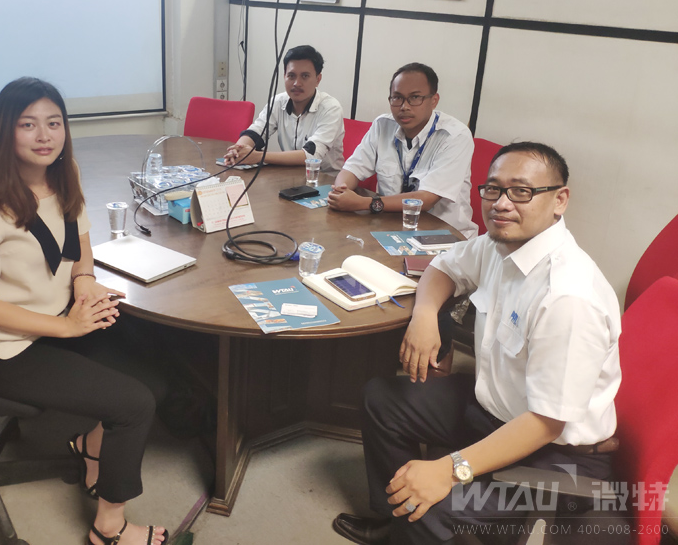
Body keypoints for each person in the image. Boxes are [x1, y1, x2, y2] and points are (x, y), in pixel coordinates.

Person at [332, 142, 622, 545]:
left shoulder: (568, 297)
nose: (501, 203)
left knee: (431, 503)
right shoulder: (500, 242)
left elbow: (546, 423)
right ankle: (393, 522)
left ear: (560, 200)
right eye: (493, 189)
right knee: (382, 399)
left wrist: (448, 469)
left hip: (554, 454)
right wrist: (424, 316)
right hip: (493, 409)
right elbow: (443, 267)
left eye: (521, 191)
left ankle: (415, 522)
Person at [0, 77, 169, 545]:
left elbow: (80, 244)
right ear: (5, 130)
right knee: (134, 404)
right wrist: (66, 327)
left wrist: (84, 280)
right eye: (28, 124)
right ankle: (109, 528)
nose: (44, 135)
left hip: (58, 317)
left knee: (156, 372)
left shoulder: (64, 177)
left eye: (54, 123)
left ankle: (91, 449)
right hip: (2, 348)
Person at [327, 63, 477, 239]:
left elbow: (426, 199)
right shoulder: (383, 125)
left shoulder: (455, 136)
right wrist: (341, 191)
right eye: (397, 98)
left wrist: (364, 203)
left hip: (442, 236)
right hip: (390, 229)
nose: (404, 106)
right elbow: (352, 168)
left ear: (434, 100)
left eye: (415, 97)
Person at [223, 44, 345, 172]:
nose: (297, 83)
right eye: (291, 76)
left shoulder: (330, 109)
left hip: (324, 179)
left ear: (318, 79)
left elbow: (311, 155)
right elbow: (256, 132)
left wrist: (258, 156)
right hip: (288, 175)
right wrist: (238, 150)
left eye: (305, 76)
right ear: (284, 76)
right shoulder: (278, 102)